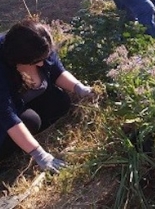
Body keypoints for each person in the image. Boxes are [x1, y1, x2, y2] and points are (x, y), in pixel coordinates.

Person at [0, 19, 94, 173]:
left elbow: (56, 70)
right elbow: (6, 115)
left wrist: (81, 89)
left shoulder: (37, 41)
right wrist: (40, 154)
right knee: (31, 120)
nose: (42, 65)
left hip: (17, 101)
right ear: (18, 60)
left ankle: (21, 139)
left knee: (59, 101)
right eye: (37, 62)